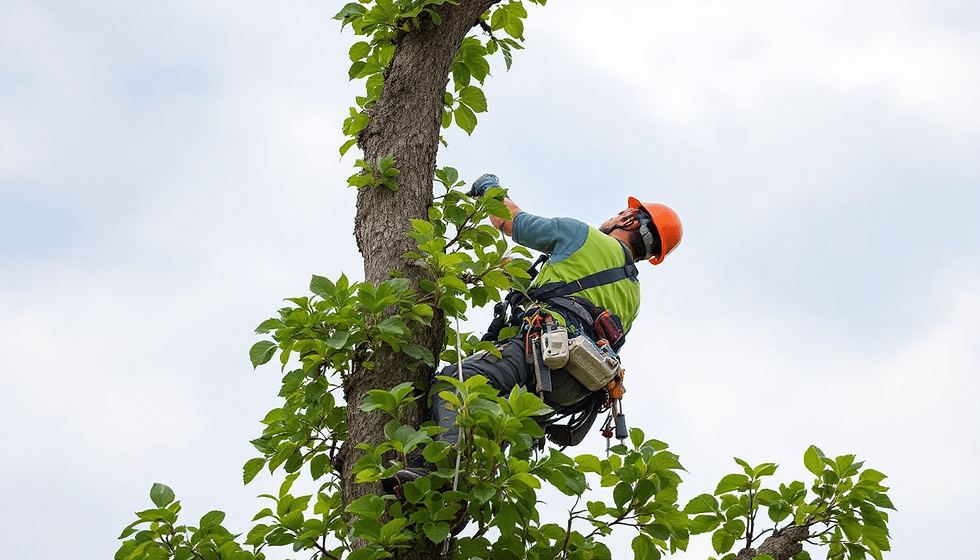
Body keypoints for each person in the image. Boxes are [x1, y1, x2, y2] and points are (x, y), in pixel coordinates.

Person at [386, 173, 682, 487]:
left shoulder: (582, 235)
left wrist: (490, 191)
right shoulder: (633, 295)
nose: (610, 218)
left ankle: (441, 468)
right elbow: (581, 313)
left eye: (618, 214)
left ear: (631, 222)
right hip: (573, 389)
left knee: (456, 379)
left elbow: (512, 221)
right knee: (496, 415)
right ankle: (471, 482)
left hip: (544, 351)